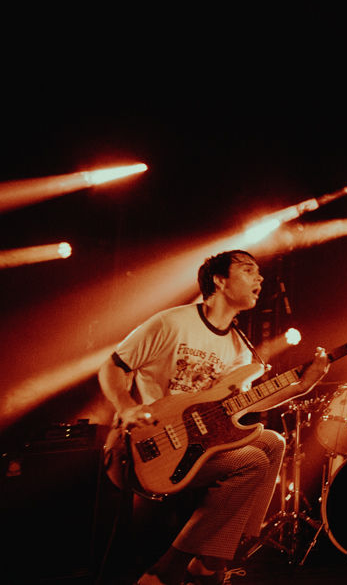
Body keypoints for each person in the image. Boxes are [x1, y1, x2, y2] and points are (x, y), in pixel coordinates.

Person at [97, 250, 330, 585]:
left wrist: (303, 385)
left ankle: (214, 559)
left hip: (199, 445)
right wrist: (126, 407)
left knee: (273, 443)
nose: (260, 279)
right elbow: (113, 366)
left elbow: (243, 406)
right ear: (219, 281)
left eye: (259, 273)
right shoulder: (171, 322)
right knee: (252, 460)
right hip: (149, 448)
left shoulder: (240, 349)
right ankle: (169, 569)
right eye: (248, 270)